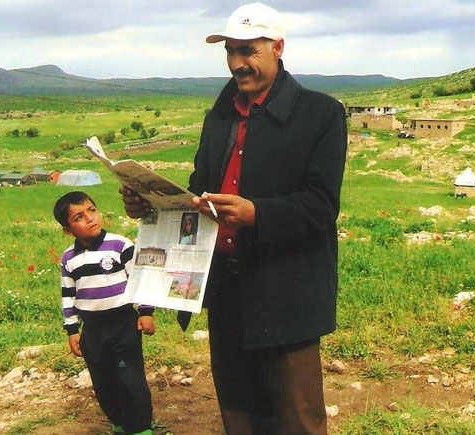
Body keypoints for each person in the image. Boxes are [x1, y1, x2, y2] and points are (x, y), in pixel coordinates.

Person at [121, 2, 347, 433]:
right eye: (230, 51)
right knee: (239, 414)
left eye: (249, 51)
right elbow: (198, 188)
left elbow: (320, 205)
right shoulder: (219, 116)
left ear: (277, 48)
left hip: (285, 290)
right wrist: (149, 204)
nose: (237, 63)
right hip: (226, 287)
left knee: (296, 418)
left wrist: (256, 213)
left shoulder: (321, 114)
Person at [54, 191, 156, 435]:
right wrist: (72, 330)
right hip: (93, 330)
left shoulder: (120, 245)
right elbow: (68, 295)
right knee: (103, 381)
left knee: (130, 379)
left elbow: (139, 278)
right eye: (79, 216)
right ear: (68, 230)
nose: (90, 218)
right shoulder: (69, 259)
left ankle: (141, 428)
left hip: (123, 325)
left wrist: (146, 312)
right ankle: (118, 423)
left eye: (92, 210)